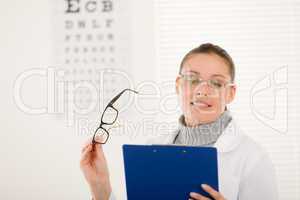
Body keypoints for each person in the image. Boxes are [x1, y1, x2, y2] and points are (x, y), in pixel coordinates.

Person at [80, 43, 278, 200]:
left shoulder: (253, 158)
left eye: (216, 83)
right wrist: (101, 189)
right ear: (178, 85)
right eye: (193, 79)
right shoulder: (153, 147)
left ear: (231, 93)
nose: (202, 90)